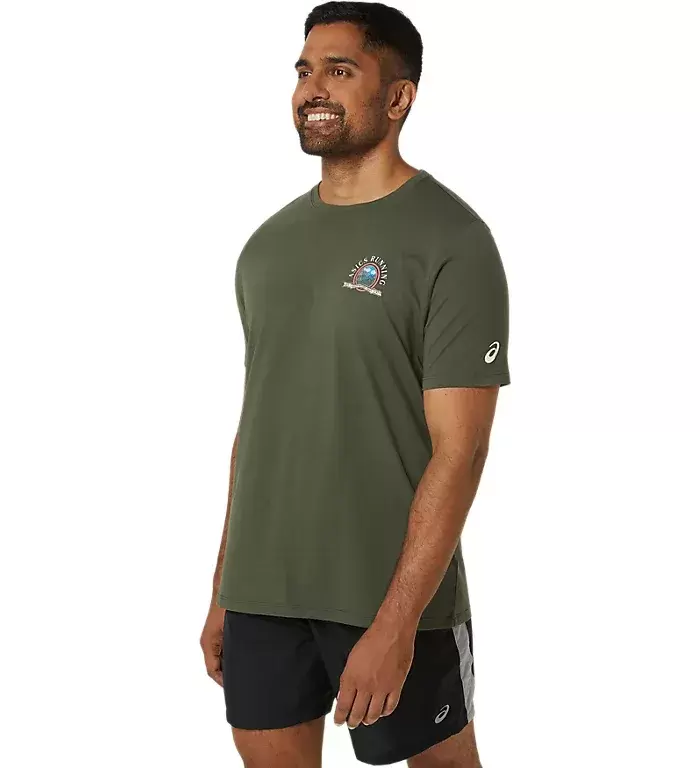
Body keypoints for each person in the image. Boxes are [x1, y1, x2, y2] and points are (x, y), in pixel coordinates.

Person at [200, 3, 510, 765]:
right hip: (263, 593)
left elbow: (461, 451)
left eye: (341, 71)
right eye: (305, 71)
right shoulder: (268, 246)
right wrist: (225, 589)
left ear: (399, 97)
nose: (313, 89)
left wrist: (397, 623)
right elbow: (260, 427)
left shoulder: (451, 241)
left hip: (387, 593)